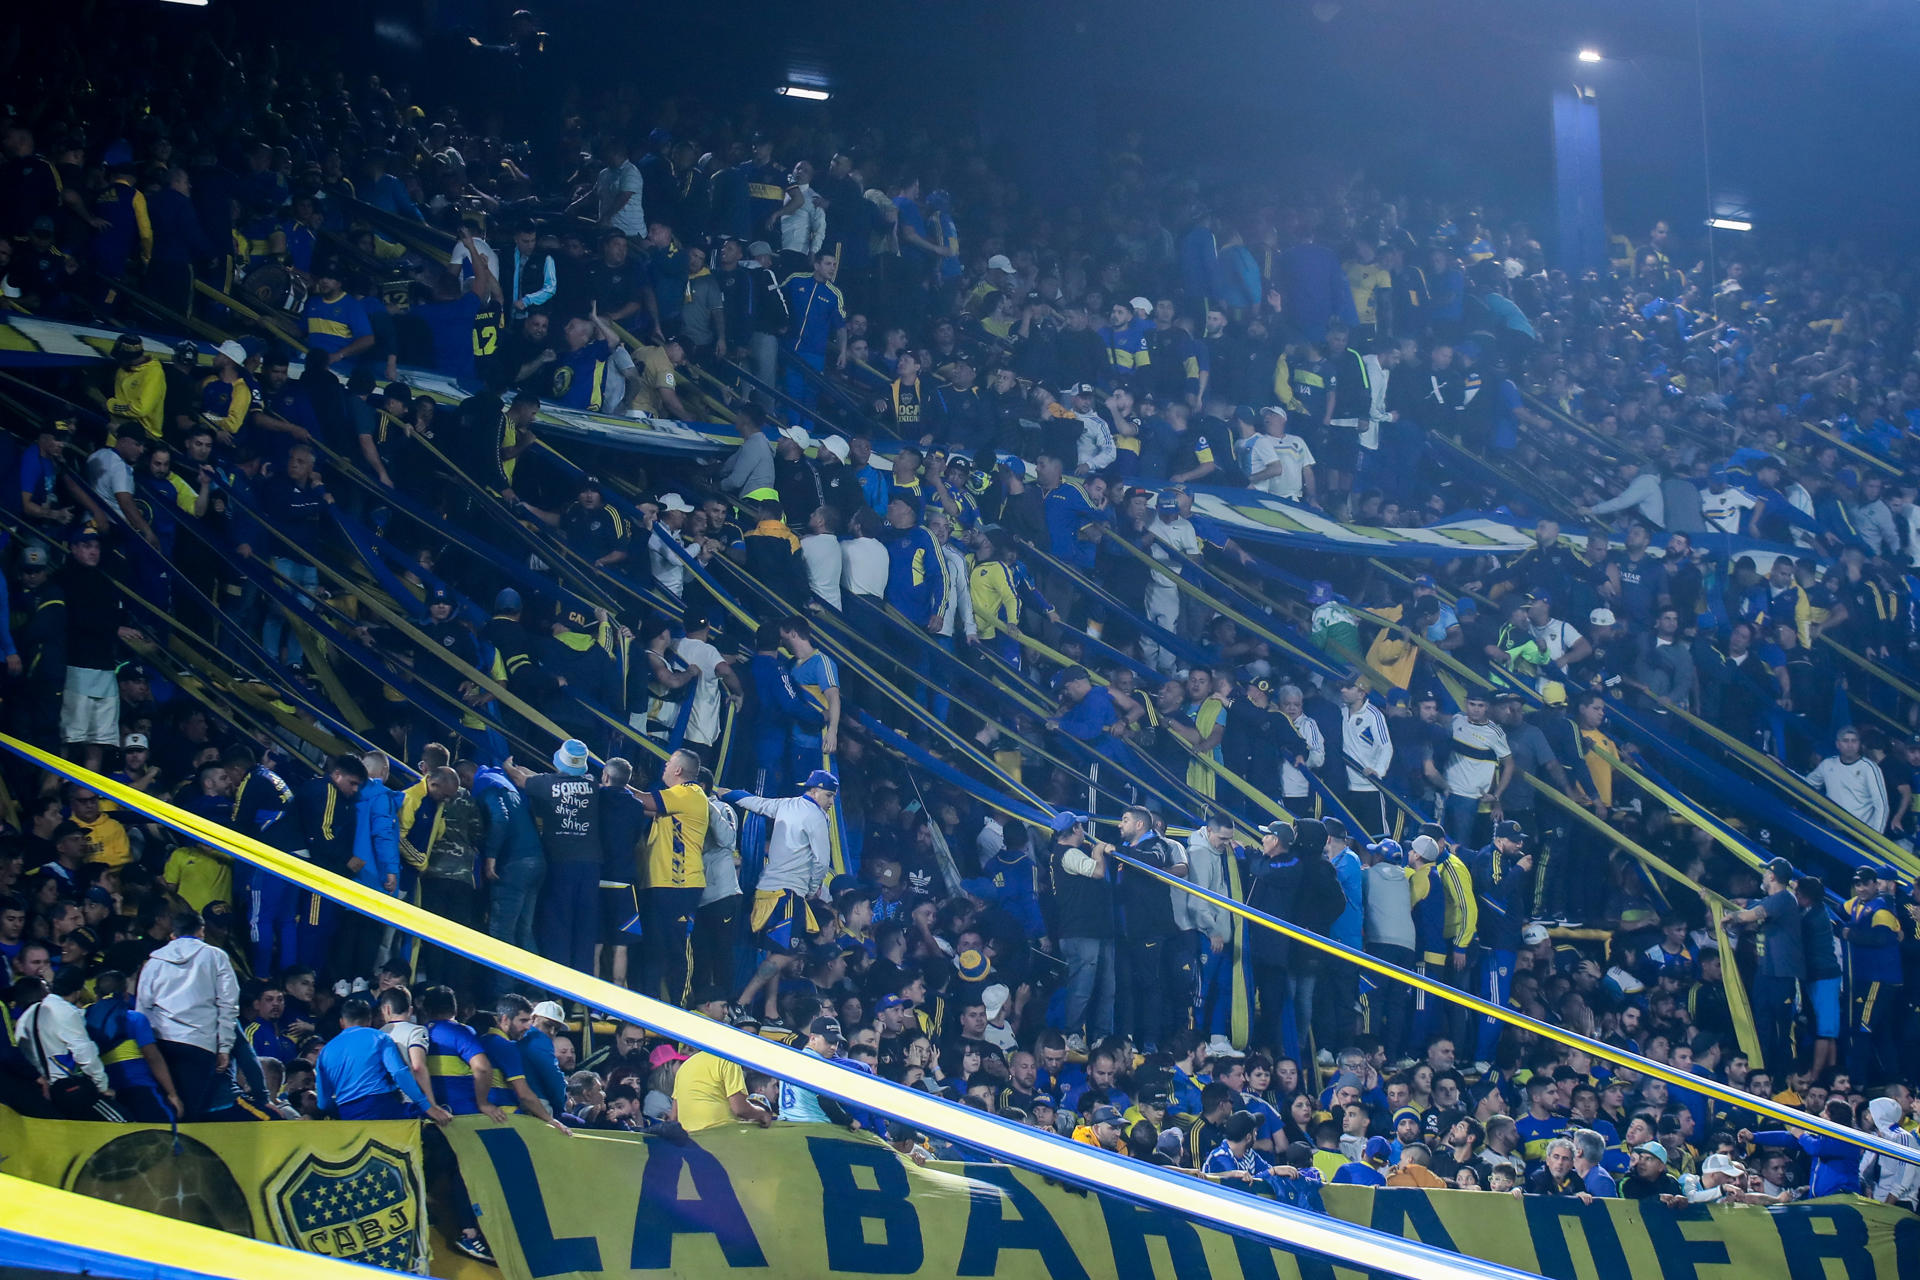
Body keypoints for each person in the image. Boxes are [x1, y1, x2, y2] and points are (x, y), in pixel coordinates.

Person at [134, 908, 239, 1120]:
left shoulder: (154, 963)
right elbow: (228, 1004)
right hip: (199, 1044)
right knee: (191, 1112)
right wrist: (224, 1046)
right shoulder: (216, 957)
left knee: (165, 1108)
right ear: (201, 930)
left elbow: (142, 1008)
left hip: (160, 1042)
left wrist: (144, 1047)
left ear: (173, 933)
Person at [315, 996, 450, 1122]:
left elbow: (323, 1103)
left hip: (348, 1114)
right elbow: (399, 1073)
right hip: (382, 1108)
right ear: (369, 1020)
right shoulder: (380, 1038)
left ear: (342, 1022)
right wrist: (426, 1106)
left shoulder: (325, 1051)